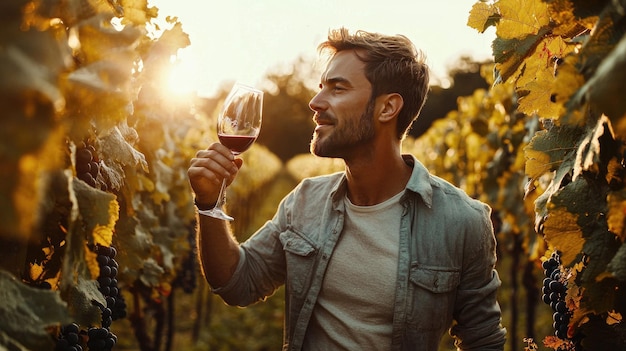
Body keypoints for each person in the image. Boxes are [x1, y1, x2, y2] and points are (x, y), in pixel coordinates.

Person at [187, 27, 506, 351]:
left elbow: (483, 340)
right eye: (321, 87)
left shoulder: (461, 222)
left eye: (337, 89)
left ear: (387, 108)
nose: (314, 102)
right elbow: (237, 283)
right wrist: (209, 203)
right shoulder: (305, 201)